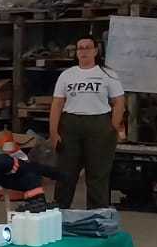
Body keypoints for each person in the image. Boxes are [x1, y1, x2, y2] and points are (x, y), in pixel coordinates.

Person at [51, 37, 125, 209]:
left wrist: (113, 126)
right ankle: (58, 213)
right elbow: (57, 104)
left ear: (95, 51)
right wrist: (54, 132)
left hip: (99, 123)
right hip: (71, 124)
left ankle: (97, 215)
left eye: (87, 48)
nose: (83, 51)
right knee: (65, 171)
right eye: (80, 48)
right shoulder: (67, 75)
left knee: (98, 174)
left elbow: (119, 101)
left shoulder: (107, 75)